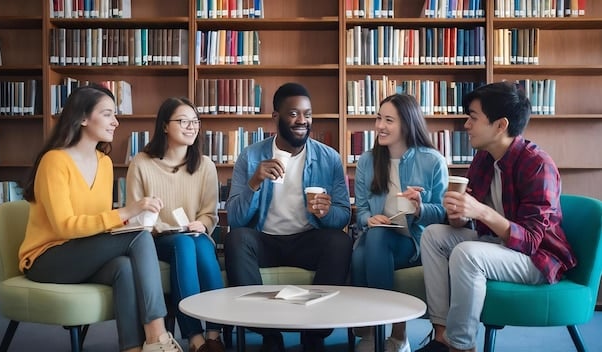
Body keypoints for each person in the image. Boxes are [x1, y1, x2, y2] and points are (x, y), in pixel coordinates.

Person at [19, 84, 183, 352]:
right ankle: (157, 334)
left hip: (83, 252)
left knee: (125, 267)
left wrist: (130, 219)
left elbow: (99, 219)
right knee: (139, 237)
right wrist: (127, 212)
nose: (115, 122)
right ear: (83, 118)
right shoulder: (54, 161)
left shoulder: (104, 163)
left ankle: (132, 348)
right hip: (47, 258)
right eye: (107, 114)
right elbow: (65, 226)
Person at [416, 82, 577, 352]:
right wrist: (458, 214)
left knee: (467, 253)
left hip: (537, 258)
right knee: (433, 235)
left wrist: (480, 210)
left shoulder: (538, 165)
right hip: (495, 245)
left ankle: (461, 345)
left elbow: (530, 241)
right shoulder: (483, 158)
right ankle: (442, 335)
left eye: (473, 117)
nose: (466, 124)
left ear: (500, 125)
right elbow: (470, 224)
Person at [224, 82, 353, 352]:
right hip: (265, 241)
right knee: (237, 238)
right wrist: (254, 182)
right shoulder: (250, 156)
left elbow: (343, 216)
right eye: (293, 114)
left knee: (339, 242)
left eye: (307, 114)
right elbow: (235, 218)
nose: (302, 121)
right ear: (276, 117)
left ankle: (314, 333)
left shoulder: (329, 158)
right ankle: (268, 334)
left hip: (307, 240)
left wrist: (327, 212)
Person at [126, 97, 225, 352]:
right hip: (153, 239)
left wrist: (202, 225)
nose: (191, 127)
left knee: (201, 245)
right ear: (164, 126)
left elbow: (209, 213)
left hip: (193, 234)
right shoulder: (142, 163)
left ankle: (213, 334)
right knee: (184, 243)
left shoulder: (205, 167)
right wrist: (163, 226)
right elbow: (135, 214)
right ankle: (194, 335)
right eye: (183, 121)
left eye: (195, 122)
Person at [351, 94, 448, 352]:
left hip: (415, 243)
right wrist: (368, 219)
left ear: (407, 123)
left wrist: (420, 208)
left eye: (388, 120)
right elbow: (360, 210)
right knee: (368, 245)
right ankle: (375, 332)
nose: (379, 126)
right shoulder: (367, 161)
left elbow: (444, 215)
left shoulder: (431, 161)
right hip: (378, 241)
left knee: (371, 245)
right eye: (378, 118)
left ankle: (394, 332)